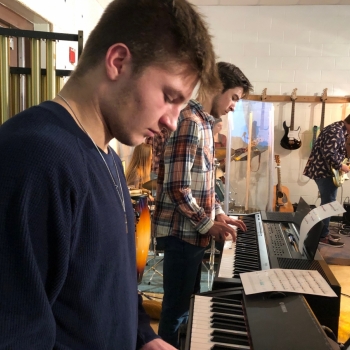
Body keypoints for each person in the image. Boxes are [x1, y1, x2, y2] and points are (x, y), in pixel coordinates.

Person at [0, 0, 220, 349]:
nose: (173, 121)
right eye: (169, 97)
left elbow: (111, 282)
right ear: (118, 62)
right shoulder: (33, 158)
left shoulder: (109, 158)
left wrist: (143, 336)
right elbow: (16, 332)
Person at [152, 62, 253, 348]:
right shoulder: (189, 123)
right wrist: (209, 225)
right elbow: (177, 187)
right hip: (182, 234)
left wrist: (221, 214)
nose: (234, 105)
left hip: (193, 233)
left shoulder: (205, 125)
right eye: (233, 96)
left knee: (189, 306)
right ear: (214, 87)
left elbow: (205, 184)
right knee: (176, 312)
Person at [303, 116, 350, 248]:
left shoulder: (337, 128)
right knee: (328, 204)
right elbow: (329, 153)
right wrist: (342, 166)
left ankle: (322, 232)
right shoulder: (336, 131)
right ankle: (322, 236)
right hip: (324, 172)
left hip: (324, 171)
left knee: (327, 203)